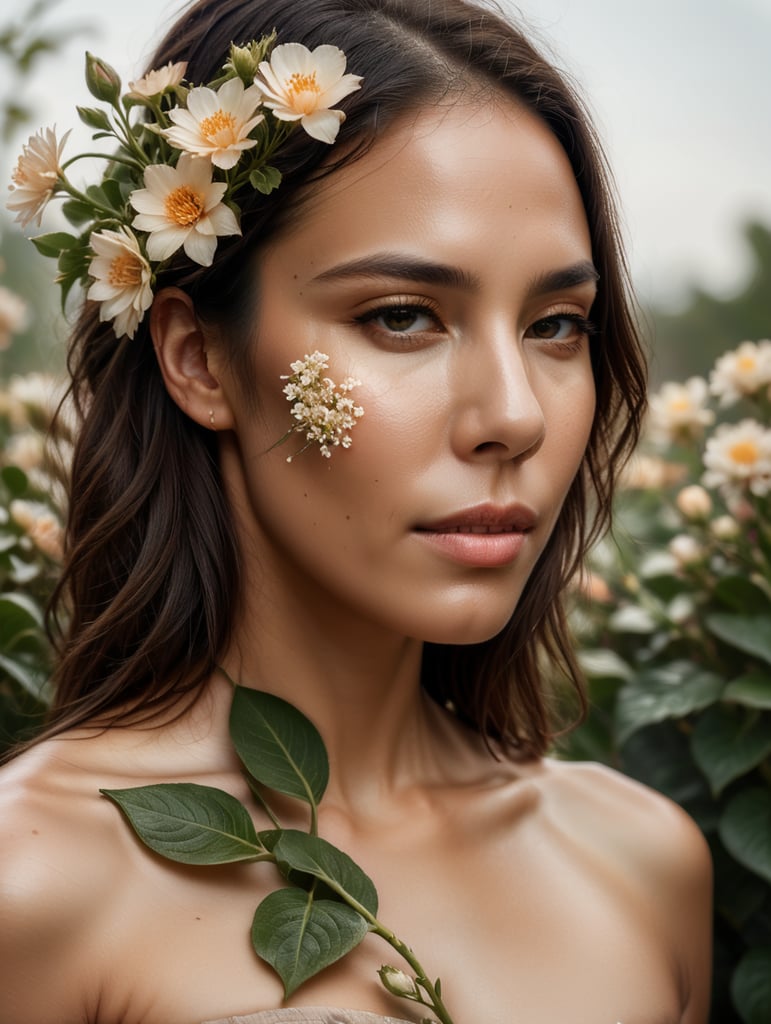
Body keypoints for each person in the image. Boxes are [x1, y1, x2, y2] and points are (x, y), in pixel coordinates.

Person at [0, 1, 712, 1022]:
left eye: (558, 325)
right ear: (198, 358)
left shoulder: (642, 866)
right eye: (402, 316)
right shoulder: (34, 888)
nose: (513, 414)